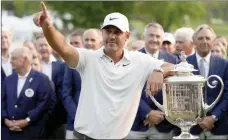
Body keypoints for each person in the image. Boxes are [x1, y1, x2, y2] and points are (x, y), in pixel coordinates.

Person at [33, 2, 175, 139]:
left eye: (117, 32)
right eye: (108, 31)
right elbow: (63, 47)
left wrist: (159, 71)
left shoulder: (140, 60)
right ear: (102, 33)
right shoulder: (89, 58)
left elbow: (171, 66)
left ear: (127, 36)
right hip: (84, 137)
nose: (112, 36)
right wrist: (48, 27)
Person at [127, 23, 179, 139]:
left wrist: (160, 114)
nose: (154, 39)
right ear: (144, 37)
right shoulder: (132, 58)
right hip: (136, 124)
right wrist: (147, 112)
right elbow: (128, 90)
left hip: (163, 124)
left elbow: (174, 92)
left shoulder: (173, 59)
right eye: (151, 35)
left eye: (158, 36)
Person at [1, 47, 55, 140]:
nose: (10, 61)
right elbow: (2, 102)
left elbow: (43, 105)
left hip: (31, 133)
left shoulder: (42, 79)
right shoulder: (8, 79)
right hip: (8, 133)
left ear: (25, 59)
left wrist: (26, 121)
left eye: (13, 58)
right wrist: (5, 120)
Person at [187, 24, 228, 139]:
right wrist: (198, 119)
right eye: (200, 38)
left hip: (218, 127)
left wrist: (214, 117)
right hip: (191, 127)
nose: (204, 41)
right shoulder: (183, 64)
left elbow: (227, 94)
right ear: (194, 41)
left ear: (213, 41)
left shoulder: (224, 64)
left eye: (208, 38)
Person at [35, 35, 66, 139]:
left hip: (56, 115)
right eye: (40, 45)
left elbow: (63, 89)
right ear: (36, 48)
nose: (43, 48)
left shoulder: (61, 66)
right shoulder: (33, 65)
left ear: (51, 47)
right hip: (36, 115)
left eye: (46, 45)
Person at [61, 29, 84, 139]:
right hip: (74, 122)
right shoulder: (69, 64)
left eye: (77, 43)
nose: (73, 46)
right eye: (71, 43)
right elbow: (66, 93)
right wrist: (76, 116)